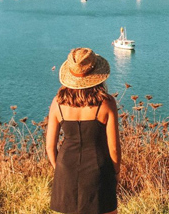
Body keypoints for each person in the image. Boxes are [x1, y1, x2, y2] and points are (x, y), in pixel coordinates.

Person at [47, 48, 120, 214]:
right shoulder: (106, 103)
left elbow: (50, 147)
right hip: (99, 170)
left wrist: (59, 170)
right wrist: (116, 173)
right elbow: (114, 148)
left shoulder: (57, 102)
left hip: (65, 168)